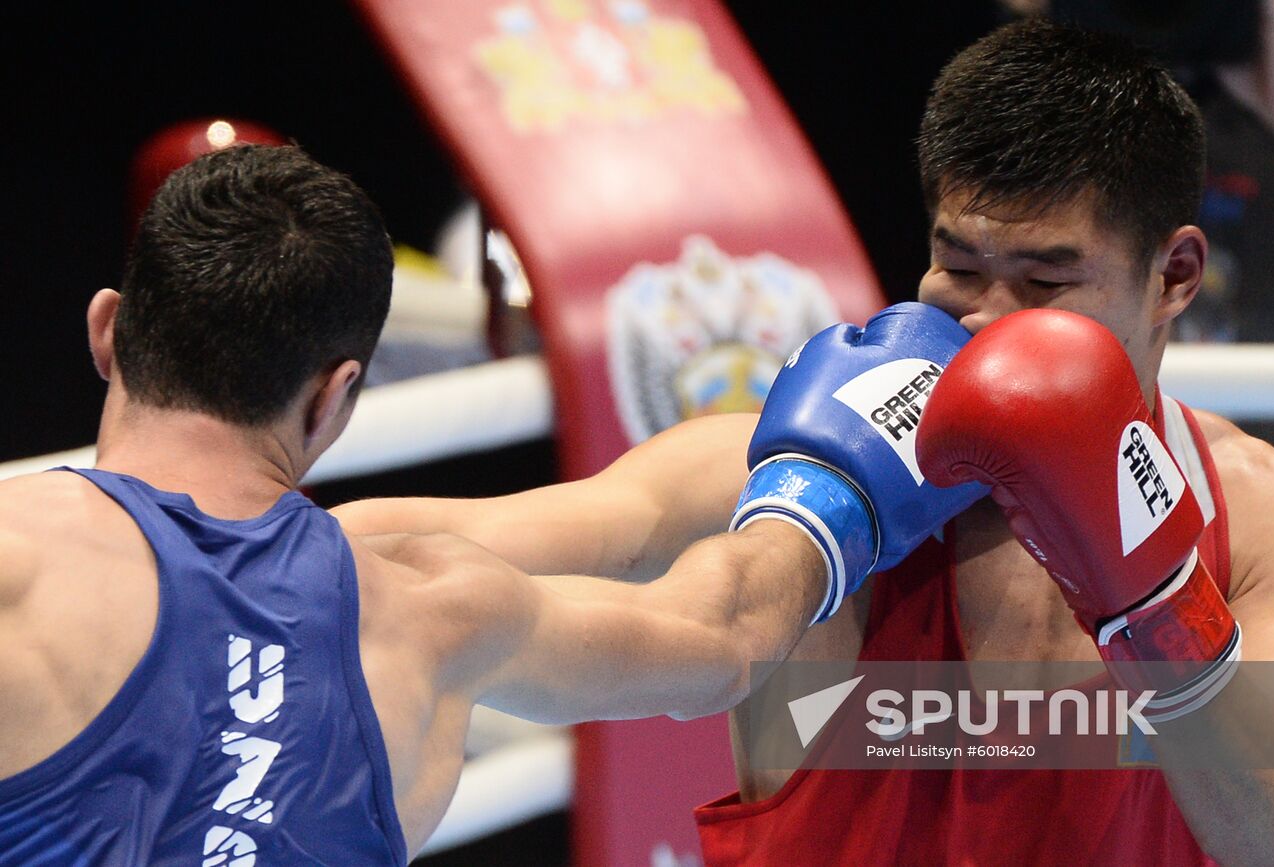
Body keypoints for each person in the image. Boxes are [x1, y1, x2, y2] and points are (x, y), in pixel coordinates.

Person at [348, 19, 1274, 865]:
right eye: (958, 265)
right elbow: (459, 537)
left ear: (1174, 276)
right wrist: (198, 536)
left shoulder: (1267, 517)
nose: (984, 320)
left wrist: (1147, 598)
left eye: (1046, 281)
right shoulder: (784, 469)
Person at [0, 143, 977, 864]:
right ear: (338, 396)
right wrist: (841, 477)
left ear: (107, 331)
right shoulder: (428, 610)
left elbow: (644, 528)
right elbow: (719, 634)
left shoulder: (18, 555)